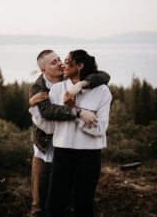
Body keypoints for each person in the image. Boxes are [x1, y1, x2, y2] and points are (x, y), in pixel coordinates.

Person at [29, 49, 110, 217]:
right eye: (57, 62)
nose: (61, 65)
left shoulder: (102, 91)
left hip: (89, 156)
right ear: (44, 70)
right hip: (59, 154)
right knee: (53, 205)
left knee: (83, 205)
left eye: (65, 61)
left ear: (79, 66)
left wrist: (74, 106)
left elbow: (100, 129)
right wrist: (34, 108)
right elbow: (50, 127)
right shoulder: (54, 90)